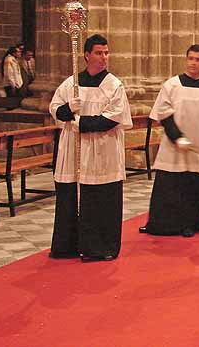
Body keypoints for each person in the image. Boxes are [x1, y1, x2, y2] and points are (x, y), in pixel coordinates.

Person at [49, 34, 133, 261]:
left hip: (101, 149)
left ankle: (100, 247)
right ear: (86, 55)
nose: (104, 57)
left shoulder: (113, 85)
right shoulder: (71, 83)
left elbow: (114, 117)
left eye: (106, 53)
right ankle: (68, 245)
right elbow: (54, 108)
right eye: (98, 53)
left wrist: (82, 123)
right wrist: (68, 108)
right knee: (70, 197)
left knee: (100, 199)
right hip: (74, 149)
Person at [140, 44, 199, 237]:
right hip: (173, 147)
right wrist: (177, 137)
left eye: (197, 59)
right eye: (190, 58)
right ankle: (159, 223)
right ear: (186, 59)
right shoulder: (172, 85)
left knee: (192, 188)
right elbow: (164, 114)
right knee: (168, 187)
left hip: (198, 149)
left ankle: (190, 223)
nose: (193, 63)